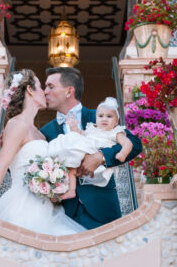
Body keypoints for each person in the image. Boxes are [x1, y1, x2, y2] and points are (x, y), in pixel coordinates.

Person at [0, 70, 86, 236]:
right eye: (41, 87)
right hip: (23, 204)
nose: (45, 92)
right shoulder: (17, 124)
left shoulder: (40, 133)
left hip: (46, 207)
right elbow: (0, 165)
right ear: (29, 89)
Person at [39, 67, 142, 229]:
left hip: (102, 208)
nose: (45, 91)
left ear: (69, 91)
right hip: (63, 213)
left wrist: (101, 156)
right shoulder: (45, 131)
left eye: (50, 86)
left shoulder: (102, 116)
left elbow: (135, 144)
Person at [52, 97, 133, 199]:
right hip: (84, 156)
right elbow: (80, 134)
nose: (104, 119)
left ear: (116, 121)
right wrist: (73, 127)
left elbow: (128, 143)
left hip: (97, 163)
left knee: (72, 162)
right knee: (71, 169)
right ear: (96, 118)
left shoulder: (116, 132)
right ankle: (71, 191)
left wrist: (123, 153)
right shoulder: (92, 128)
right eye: (100, 116)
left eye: (109, 116)